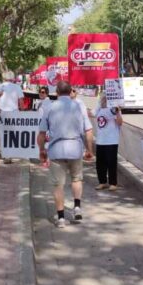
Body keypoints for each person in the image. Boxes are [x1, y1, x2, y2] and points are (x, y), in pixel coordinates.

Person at [38, 81, 95, 228]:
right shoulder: (79, 106)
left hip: (56, 150)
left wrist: (41, 151)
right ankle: (76, 207)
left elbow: (42, 134)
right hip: (75, 149)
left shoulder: (49, 107)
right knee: (76, 179)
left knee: (58, 185)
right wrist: (89, 150)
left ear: (56, 92)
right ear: (71, 91)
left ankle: (61, 218)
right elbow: (88, 131)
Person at [93, 94, 123, 190]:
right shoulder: (99, 109)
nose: (103, 100)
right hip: (100, 140)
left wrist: (118, 112)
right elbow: (91, 113)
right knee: (100, 163)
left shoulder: (114, 109)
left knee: (111, 162)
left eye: (105, 98)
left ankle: (113, 183)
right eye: (102, 98)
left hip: (111, 140)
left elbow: (120, 122)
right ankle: (102, 182)